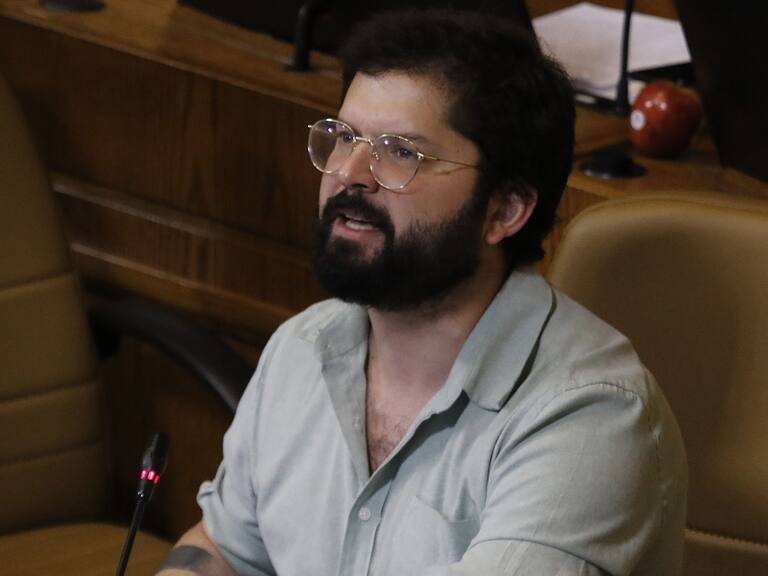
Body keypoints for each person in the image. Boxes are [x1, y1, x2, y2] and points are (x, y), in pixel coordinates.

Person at [158, 8, 687, 576]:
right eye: (343, 138)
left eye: (400, 152)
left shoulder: (590, 418)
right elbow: (222, 548)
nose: (349, 173)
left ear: (505, 210)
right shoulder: (303, 348)